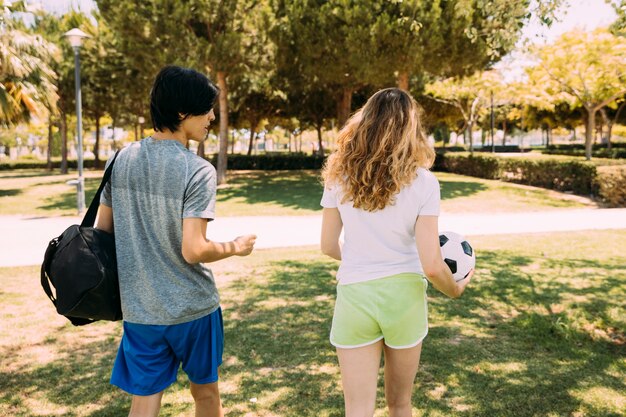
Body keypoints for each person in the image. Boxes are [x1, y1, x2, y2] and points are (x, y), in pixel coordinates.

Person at [96, 65, 257, 417]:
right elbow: (194, 249)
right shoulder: (197, 170)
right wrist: (236, 246)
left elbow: (102, 234)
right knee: (206, 396)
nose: (212, 116)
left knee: (144, 402)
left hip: (141, 311)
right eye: (206, 108)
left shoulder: (120, 160)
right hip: (193, 310)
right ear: (183, 112)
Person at [320, 88, 473, 417]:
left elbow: (328, 246)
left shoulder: (338, 176)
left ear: (366, 121)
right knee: (400, 404)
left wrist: (363, 259)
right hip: (404, 299)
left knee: (357, 410)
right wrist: (457, 288)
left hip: (354, 296)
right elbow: (432, 265)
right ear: (410, 128)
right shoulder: (424, 183)